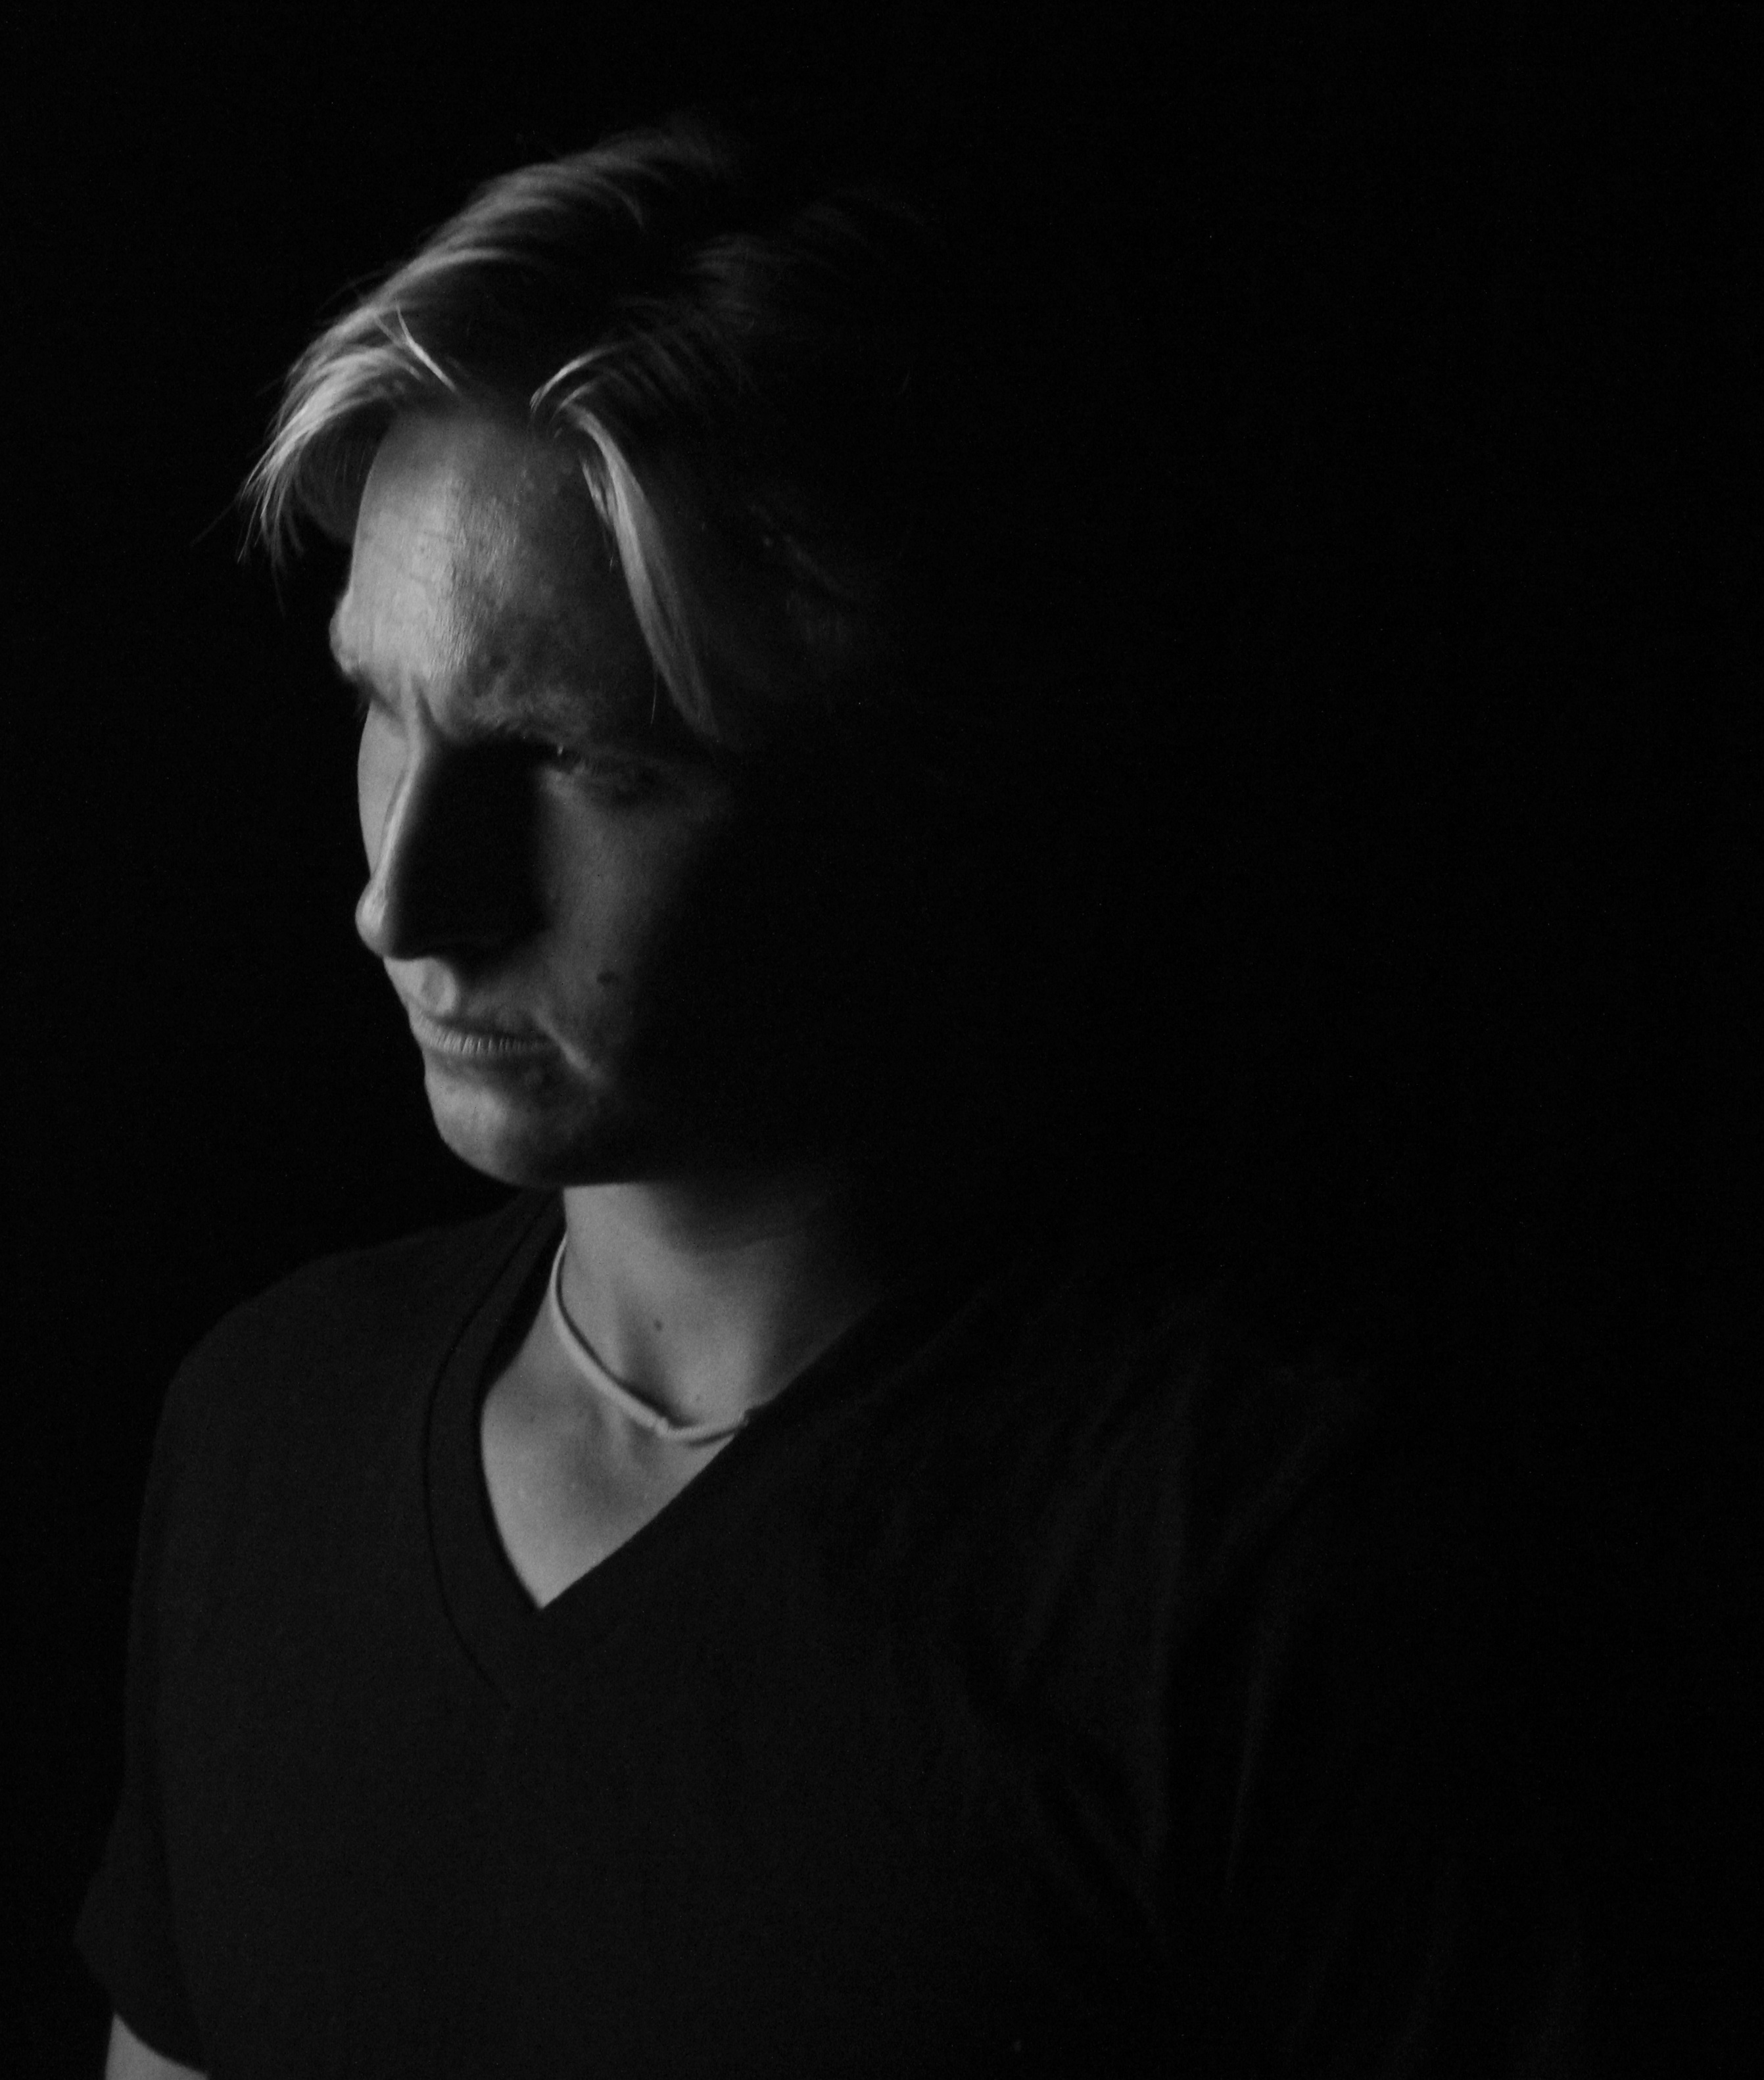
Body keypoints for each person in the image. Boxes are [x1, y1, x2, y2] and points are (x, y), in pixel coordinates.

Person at [80, 120, 1584, 2077]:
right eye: (385, 704)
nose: (401, 899)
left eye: (575, 757)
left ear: (901, 775)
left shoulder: (1251, 1583)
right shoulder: (265, 1432)